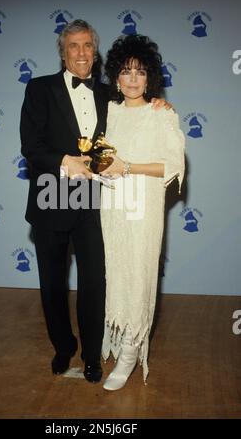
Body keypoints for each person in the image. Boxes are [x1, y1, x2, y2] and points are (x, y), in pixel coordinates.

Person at [20, 20, 170, 384]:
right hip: (51, 193)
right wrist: (64, 161)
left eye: (88, 45)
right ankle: (62, 346)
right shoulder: (39, 89)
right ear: (63, 51)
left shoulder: (108, 94)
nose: (82, 52)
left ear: (95, 51)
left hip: (94, 200)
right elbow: (31, 146)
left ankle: (91, 354)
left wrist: (158, 104)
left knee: (94, 283)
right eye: (74, 46)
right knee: (53, 283)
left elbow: (137, 109)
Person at [100, 34, 185, 390]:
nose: (133, 79)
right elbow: (99, 156)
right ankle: (119, 333)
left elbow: (172, 164)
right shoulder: (110, 111)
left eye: (139, 72)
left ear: (149, 77)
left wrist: (128, 165)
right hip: (112, 205)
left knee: (141, 274)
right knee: (116, 271)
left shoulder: (162, 114)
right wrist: (101, 167)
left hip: (144, 206)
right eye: (125, 71)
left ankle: (132, 352)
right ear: (115, 77)